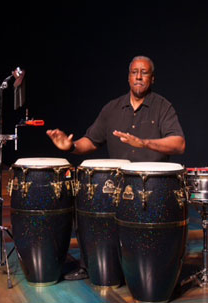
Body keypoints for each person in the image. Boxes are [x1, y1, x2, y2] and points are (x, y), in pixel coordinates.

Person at [46, 55, 185, 280]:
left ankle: (151, 274)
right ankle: (92, 265)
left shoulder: (162, 107)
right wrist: (70, 146)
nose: (139, 76)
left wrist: (144, 143)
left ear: (152, 78)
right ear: (129, 77)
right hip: (117, 186)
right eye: (134, 72)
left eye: (144, 72)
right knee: (88, 203)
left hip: (150, 188)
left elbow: (179, 143)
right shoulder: (112, 108)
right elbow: (90, 141)